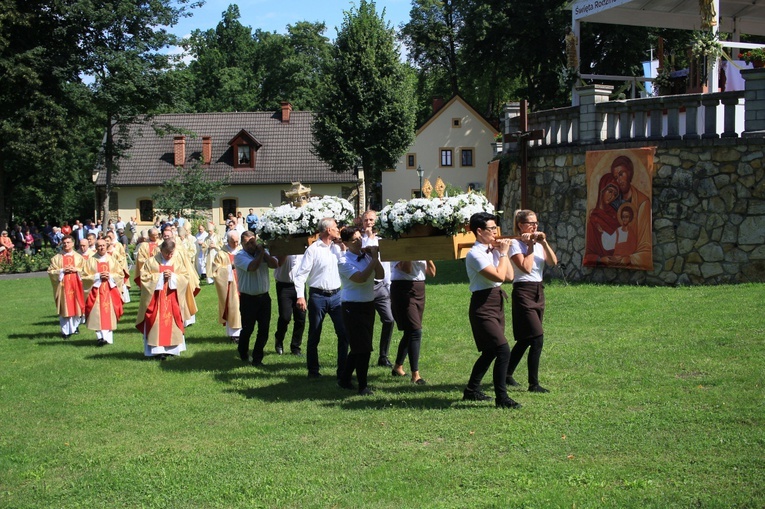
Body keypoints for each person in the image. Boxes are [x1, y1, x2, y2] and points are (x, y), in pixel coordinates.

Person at [462, 212, 521, 409]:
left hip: (496, 301)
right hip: (482, 305)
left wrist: (501, 252)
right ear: (479, 231)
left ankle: (471, 391)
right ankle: (502, 398)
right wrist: (503, 254)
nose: (495, 232)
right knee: (502, 349)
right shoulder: (474, 254)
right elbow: (498, 277)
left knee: (489, 352)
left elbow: (510, 275)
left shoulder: (492, 250)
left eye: (496, 228)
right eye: (491, 229)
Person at [506, 209, 558, 394]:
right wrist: (528, 245)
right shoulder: (514, 244)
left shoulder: (538, 243)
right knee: (537, 338)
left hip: (538, 291)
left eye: (536, 223)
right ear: (521, 225)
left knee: (525, 339)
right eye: (530, 223)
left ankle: (506, 374)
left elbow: (553, 261)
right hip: (523, 292)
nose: (535, 226)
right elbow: (526, 269)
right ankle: (533, 384)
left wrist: (543, 242)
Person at [293, 218, 349, 379]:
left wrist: (343, 248)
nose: (338, 230)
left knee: (343, 333)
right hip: (318, 296)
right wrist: (300, 296)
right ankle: (313, 371)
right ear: (327, 230)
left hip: (337, 296)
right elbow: (300, 275)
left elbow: (346, 266)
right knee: (314, 334)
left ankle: (343, 370)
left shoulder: (337, 248)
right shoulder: (313, 249)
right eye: (336, 228)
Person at [336, 227, 384, 395]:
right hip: (352, 307)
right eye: (354, 240)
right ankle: (362, 386)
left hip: (368, 305)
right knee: (363, 348)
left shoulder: (366, 257)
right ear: (346, 243)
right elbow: (361, 279)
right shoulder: (343, 261)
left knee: (359, 346)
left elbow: (381, 274)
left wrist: (373, 258)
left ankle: (344, 378)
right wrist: (374, 258)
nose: (359, 241)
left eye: (360, 237)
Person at [135, 240, 189, 359]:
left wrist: (173, 277)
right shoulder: (151, 261)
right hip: (156, 299)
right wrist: (160, 277)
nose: (169, 256)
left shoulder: (177, 261)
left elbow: (185, 277)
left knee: (173, 322)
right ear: (161, 250)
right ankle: (158, 351)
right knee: (156, 322)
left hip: (172, 298)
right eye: (166, 253)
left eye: (171, 253)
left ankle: (172, 350)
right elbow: (144, 278)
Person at [234, 230, 278, 366]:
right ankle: (243, 351)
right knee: (248, 329)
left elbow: (275, 264)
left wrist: (263, 252)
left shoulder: (262, 253)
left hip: (264, 298)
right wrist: (260, 254)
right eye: (248, 243)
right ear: (242, 244)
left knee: (264, 329)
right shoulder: (240, 256)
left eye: (253, 242)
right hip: (248, 299)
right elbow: (252, 267)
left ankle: (257, 357)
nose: (251, 246)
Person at [389, 259, 436, 385]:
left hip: (419, 288)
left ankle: (397, 367)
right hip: (403, 289)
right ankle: (416, 375)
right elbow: (407, 269)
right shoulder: (399, 249)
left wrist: (427, 256)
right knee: (415, 330)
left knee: (410, 331)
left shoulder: (419, 248)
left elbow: (432, 272)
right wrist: (410, 251)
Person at [360, 210, 395, 367]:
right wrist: (367, 237)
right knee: (366, 324)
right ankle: (364, 354)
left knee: (389, 319)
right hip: (365, 287)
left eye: (372, 219)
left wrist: (388, 285)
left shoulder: (383, 241)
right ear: (362, 223)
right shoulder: (359, 241)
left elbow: (387, 265)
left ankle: (383, 356)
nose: (369, 222)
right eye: (366, 220)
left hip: (381, 286)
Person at [609, 155, 651, 269]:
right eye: (616, 177)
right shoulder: (613, 203)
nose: (619, 180)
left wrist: (629, 258)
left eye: (621, 174)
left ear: (630, 173)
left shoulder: (642, 203)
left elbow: (645, 249)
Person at [82, 238, 124, 346]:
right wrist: (97, 276)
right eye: (99, 246)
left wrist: (109, 276)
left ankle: (108, 338)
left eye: (103, 246)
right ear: (96, 248)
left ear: (106, 246)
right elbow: (84, 276)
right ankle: (100, 337)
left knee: (109, 313)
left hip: (110, 291)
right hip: (96, 291)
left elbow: (120, 275)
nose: (101, 248)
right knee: (96, 314)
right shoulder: (91, 261)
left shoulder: (112, 260)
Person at [47, 235, 86, 339]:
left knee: (76, 307)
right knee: (64, 308)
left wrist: (75, 269)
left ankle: (74, 328)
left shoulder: (79, 258)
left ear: (73, 243)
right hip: (63, 287)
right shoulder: (56, 258)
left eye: (68, 242)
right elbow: (51, 271)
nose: (66, 244)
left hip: (76, 286)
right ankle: (65, 331)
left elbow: (86, 271)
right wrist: (62, 270)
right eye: (64, 243)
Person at [212, 230, 243, 343]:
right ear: (228, 241)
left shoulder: (241, 251)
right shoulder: (221, 254)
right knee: (233, 308)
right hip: (231, 286)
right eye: (233, 241)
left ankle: (243, 332)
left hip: (243, 283)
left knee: (243, 308)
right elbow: (216, 271)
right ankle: (234, 335)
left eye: (237, 241)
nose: (236, 244)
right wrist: (231, 267)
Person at [583, 175, 620, 266]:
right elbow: (590, 252)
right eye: (610, 191)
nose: (612, 196)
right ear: (602, 190)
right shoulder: (593, 218)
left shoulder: (616, 216)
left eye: (615, 194)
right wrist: (599, 259)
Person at [273, 254, 306, 356]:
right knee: (285, 317)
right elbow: (278, 263)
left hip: (299, 286)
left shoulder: (303, 248)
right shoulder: (282, 246)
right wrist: (286, 251)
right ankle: (279, 340)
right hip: (284, 286)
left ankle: (295, 347)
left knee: (301, 318)